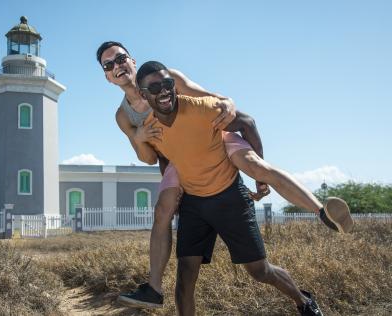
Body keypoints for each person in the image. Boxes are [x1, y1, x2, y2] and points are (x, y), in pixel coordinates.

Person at [96, 41, 353, 309]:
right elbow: (153, 157)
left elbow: (217, 101)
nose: (117, 66)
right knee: (164, 216)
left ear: (132, 60)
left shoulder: (170, 80)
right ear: (106, 76)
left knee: (256, 168)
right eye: (109, 64)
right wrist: (140, 139)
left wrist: (227, 102)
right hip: (179, 160)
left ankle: (322, 212)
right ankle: (154, 288)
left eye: (121, 58)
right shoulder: (126, 116)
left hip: (212, 137)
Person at [137, 61, 325, 315]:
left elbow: (247, 122)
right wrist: (177, 193)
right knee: (184, 279)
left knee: (260, 271)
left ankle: (303, 301)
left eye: (168, 84)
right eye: (155, 87)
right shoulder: (151, 128)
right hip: (194, 204)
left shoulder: (203, 108)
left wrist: (260, 177)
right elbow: (164, 157)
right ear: (142, 94)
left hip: (229, 197)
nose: (164, 91)